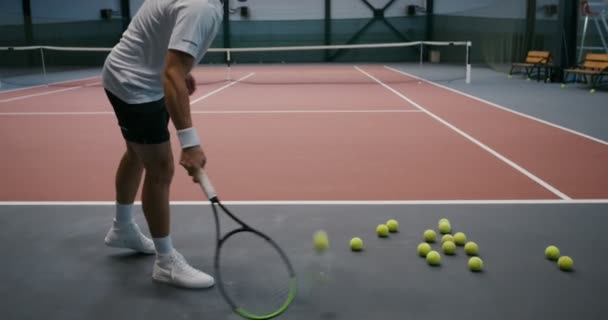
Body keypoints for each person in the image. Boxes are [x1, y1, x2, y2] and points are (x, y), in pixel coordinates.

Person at [101, 0, 223, 289]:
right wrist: (190, 144)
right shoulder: (201, 7)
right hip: (134, 84)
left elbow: (162, 38)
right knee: (161, 169)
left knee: (136, 153)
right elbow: (170, 74)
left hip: (133, 74)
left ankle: (122, 228)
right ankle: (166, 263)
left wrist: (179, 70)